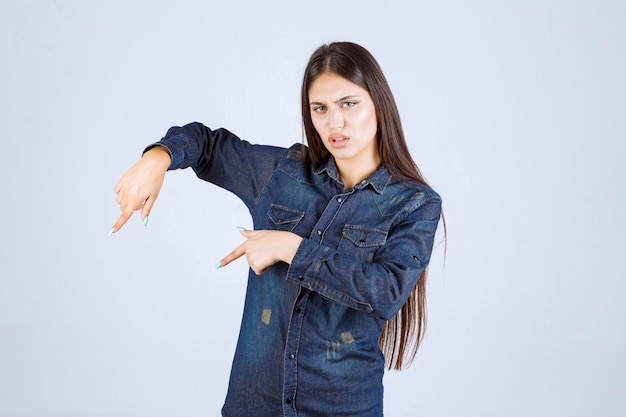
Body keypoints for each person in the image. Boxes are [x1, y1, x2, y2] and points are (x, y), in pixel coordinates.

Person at [111, 41, 442, 417]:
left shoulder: (415, 203)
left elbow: (384, 292)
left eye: (349, 104)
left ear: (378, 104)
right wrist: (158, 158)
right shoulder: (282, 174)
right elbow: (206, 144)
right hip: (254, 403)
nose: (334, 123)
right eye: (320, 108)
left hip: (344, 406)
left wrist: (291, 248)